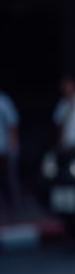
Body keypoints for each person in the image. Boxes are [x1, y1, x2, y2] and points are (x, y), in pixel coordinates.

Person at [0, 87, 21, 218]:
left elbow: (13, 125)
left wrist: (12, 147)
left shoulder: (3, 101)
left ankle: (14, 210)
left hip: (4, 148)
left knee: (9, 179)